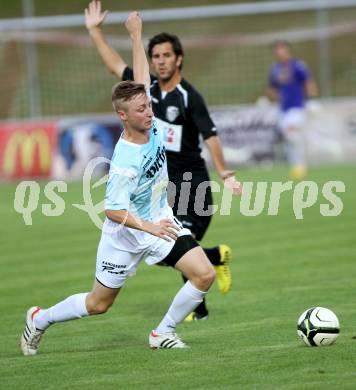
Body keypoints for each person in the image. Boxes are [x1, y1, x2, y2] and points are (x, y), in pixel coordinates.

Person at [20, 11, 216, 355]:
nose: (149, 111)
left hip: (158, 221)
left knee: (204, 275)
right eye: (141, 109)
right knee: (98, 304)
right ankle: (40, 318)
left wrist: (136, 35)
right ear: (122, 116)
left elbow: (141, 76)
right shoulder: (125, 161)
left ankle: (162, 332)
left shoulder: (148, 120)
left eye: (148, 105)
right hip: (126, 236)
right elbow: (112, 209)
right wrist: (149, 227)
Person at [85, 0, 235, 321]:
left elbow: (211, 135)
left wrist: (225, 172)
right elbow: (115, 64)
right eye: (155, 56)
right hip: (159, 190)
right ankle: (206, 283)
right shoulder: (143, 93)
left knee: (180, 244)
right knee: (172, 247)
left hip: (192, 184)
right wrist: (95, 31)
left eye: (166, 55)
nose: (160, 61)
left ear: (179, 59)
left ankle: (198, 311)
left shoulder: (189, 97)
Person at [266, 40, 318, 180]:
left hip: (297, 106)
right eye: (276, 50)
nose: (279, 52)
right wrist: (267, 98)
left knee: (291, 132)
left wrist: (312, 100)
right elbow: (272, 88)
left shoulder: (298, 65)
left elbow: (308, 82)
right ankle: (298, 166)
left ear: (288, 50)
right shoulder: (275, 69)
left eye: (281, 49)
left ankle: (300, 166)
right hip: (283, 109)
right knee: (291, 138)